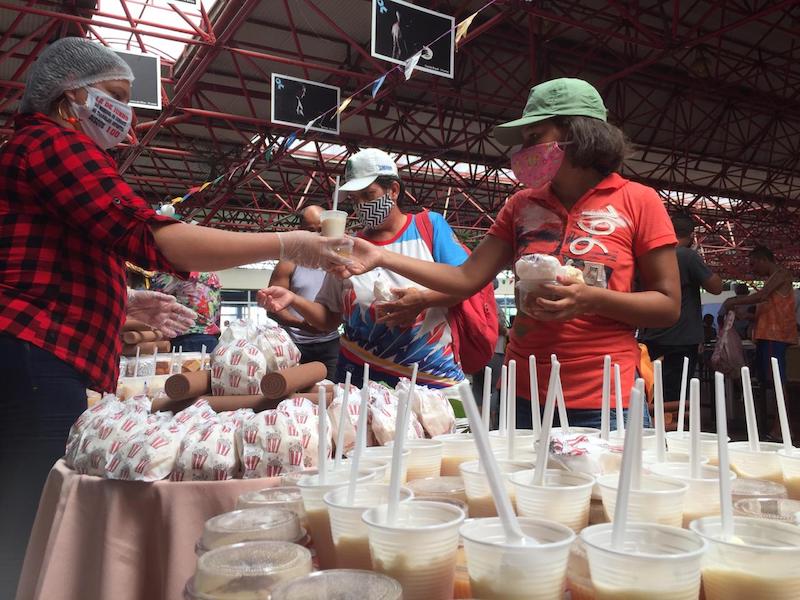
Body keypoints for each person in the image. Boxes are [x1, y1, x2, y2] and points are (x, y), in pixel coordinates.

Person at [0, 37, 338, 597]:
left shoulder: (32, 154)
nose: (124, 112)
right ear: (67, 100)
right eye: (111, 95)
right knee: (32, 511)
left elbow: (37, 263)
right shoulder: (54, 144)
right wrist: (287, 242)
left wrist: (121, 302)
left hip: (36, 345)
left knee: (25, 502)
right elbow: (152, 238)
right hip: (38, 353)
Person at [337, 78, 680, 429]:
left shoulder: (638, 201)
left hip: (605, 395)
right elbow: (465, 278)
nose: (524, 151)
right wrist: (380, 256)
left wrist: (590, 299)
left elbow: (668, 306)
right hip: (523, 392)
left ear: (577, 133)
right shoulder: (520, 206)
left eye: (535, 137)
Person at [258, 147, 469, 389]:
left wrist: (423, 300)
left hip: (430, 379)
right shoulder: (348, 247)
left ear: (393, 190)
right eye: (355, 200)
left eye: (369, 195)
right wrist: (293, 298)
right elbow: (328, 318)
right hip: (360, 381)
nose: (362, 206)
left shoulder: (429, 227)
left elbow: (467, 284)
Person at [640, 214, 722, 405]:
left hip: (652, 336)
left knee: (653, 390)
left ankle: (654, 429)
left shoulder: (649, 256)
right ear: (692, 235)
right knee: (676, 394)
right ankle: (674, 432)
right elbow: (716, 287)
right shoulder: (687, 256)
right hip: (681, 338)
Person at [722, 245, 797, 439]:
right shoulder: (772, 280)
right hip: (767, 335)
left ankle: (781, 428)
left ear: (764, 259)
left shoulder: (781, 275)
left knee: (777, 382)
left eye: (754, 264)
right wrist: (746, 315)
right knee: (770, 382)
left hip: (775, 336)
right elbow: (767, 308)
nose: (753, 269)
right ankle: (776, 425)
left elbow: (762, 297)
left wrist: (735, 301)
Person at [266, 206, 341, 381]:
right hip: (295, 345)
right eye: (311, 231)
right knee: (292, 396)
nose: (317, 235)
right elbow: (273, 308)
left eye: (321, 230)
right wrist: (302, 325)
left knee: (331, 395)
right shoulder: (288, 263)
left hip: (330, 344)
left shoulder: (339, 261)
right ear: (301, 231)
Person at [150, 271, 223, 352]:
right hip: (211, 340)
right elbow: (217, 313)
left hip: (183, 339)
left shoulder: (174, 270)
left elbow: (153, 303)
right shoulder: (212, 276)